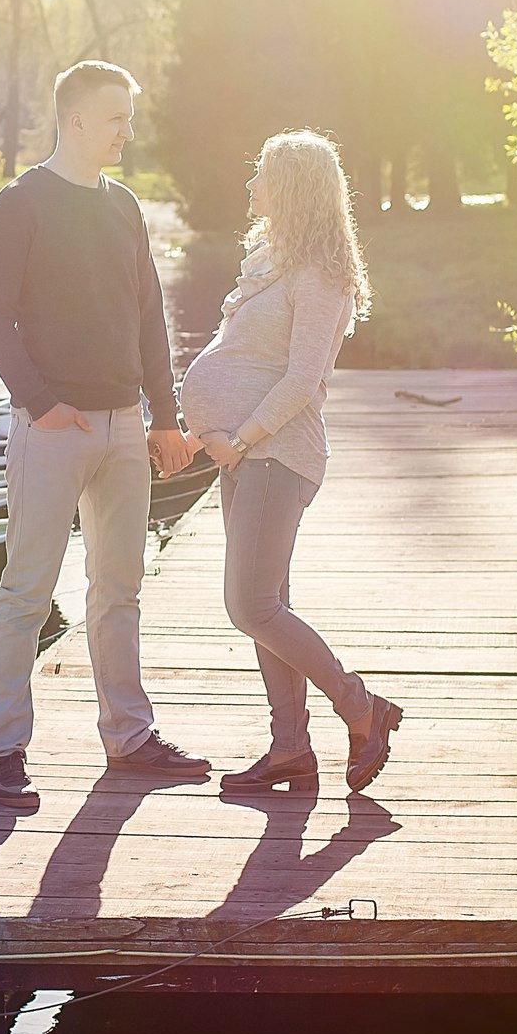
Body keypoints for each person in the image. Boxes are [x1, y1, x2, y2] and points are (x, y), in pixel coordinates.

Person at [0, 60, 209, 815]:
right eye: (115, 118)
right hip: (51, 432)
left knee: (118, 589)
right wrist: (41, 404)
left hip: (124, 428)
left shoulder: (123, 206)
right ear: (75, 120)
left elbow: (148, 316)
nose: (126, 131)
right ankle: (3, 752)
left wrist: (163, 416)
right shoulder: (19, 205)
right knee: (26, 591)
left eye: (128, 118)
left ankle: (128, 738)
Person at [177, 129, 404, 794]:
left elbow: (303, 377)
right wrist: (200, 433)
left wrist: (241, 438)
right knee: (268, 605)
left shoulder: (321, 275)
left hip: (277, 454)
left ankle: (361, 708)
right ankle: (289, 749)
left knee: (250, 604)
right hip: (246, 455)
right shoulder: (273, 264)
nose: (251, 186)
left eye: (263, 175)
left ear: (294, 188)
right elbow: (242, 360)